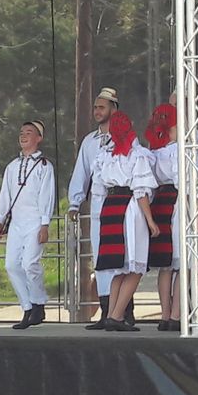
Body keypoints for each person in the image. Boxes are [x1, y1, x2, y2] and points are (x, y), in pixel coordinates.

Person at [93, 111, 159, 332]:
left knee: (119, 268)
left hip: (110, 207)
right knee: (135, 266)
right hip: (129, 209)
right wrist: (150, 220)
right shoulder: (136, 155)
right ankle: (117, 315)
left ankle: (112, 314)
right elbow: (140, 191)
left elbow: (98, 188)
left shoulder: (105, 155)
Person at [66, 87, 124, 329]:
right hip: (99, 203)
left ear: (113, 109)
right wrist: (74, 202)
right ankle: (105, 310)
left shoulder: (124, 137)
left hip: (120, 203)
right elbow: (81, 172)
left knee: (120, 256)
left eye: (102, 107)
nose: (97, 111)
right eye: (95, 107)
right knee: (100, 256)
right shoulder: (89, 141)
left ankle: (123, 311)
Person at [0, 120, 55, 330]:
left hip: (35, 220)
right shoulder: (12, 166)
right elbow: (6, 194)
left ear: (39, 138)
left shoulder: (44, 166)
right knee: (11, 264)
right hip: (17, 221)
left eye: (29, 132)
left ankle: (38, 304)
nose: (23, 136)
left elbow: (47, 195)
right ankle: (27, 306)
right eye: (21, 132)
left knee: (30, 263)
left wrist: (45, 223)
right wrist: (0, 219)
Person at [145, 104, 182, 331]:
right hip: (176, 200)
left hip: (158, 201)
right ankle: (176, 315)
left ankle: (165, 315)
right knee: (182, 262)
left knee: (165, 266)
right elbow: (181, 178)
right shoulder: (177, 150)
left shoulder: (152, 152)